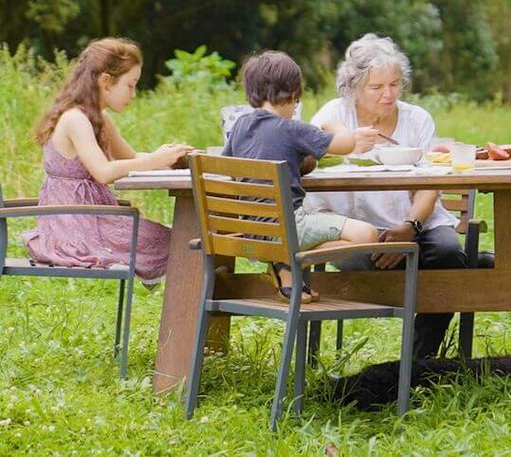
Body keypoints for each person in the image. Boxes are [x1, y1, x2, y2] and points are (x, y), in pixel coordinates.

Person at [306, 34, 469, 358]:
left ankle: (418, 361)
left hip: (415, 225)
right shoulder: (333, 115)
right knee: (417, 266)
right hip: (355, 230)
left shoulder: (417, 119)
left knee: (449, 255)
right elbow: (306, 163)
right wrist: (346, 144)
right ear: (353, 87)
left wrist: (409, 228)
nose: (388, 94)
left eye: (394, 84)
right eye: (376, 87)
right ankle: (478, 265)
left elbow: (430, 183)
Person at [24, 38, 194, 283]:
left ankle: (187, 293)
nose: (133, 94)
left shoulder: (98, 117)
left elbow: (131, 158)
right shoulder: (75, 119)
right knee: (182, 244)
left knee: (183, 242)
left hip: (95, 219)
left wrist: (170, 158)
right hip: (73, 230)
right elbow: (103, 172)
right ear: (105, 81)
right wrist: (155, 160)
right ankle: (188, 296)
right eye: (130, 85)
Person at [222, 50, 381, 302]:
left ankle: (282, 263)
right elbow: (346, 144)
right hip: (289, 227)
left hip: (253, 230)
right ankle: (293, 262)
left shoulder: (240, 126)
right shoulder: (291, 128)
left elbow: (229, 167)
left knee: (329, 224)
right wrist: (336, 126)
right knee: (367, 234)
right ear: (293, 93)